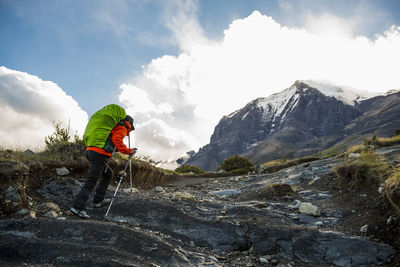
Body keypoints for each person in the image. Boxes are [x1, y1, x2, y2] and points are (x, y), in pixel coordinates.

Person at [70, 114, 137, 219]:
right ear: (130, 124)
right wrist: (128, 151)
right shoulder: (122, 127)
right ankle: (77, 207)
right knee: (92, 181)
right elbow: (117, 140)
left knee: (108, 174)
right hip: (99, 154)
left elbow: (113, 144)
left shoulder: (113, 127)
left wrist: (125, 150)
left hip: (91, 151)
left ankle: (98, 200)